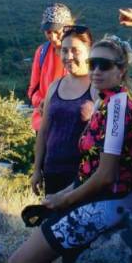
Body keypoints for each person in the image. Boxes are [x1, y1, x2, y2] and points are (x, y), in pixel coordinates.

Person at [7, 36, 132, 263]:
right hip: (93, 197)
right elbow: (91, 169)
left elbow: (106, 176)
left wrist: (66, 201)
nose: (95, 71)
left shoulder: (117, 107)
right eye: (93, 64)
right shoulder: (106, 101)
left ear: (121, 71)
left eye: (104, 65)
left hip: (106, 203)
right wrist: (63, 193)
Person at [31, 25, 97, 196]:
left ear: (90, 51)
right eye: (64, 50)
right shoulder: (55, 86)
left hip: (82, 177)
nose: (68, 56)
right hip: (52, 171)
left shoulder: (97, 86)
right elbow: (44, 132)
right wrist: (37, 169)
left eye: (75, 50)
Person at [26, 3, 75, 131]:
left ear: (68, 28)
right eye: (48, 32)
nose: (52, 37)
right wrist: (41, 102)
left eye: (57, 31)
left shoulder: (80, 52)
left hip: (71, 123)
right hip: (44, 123)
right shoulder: (41, 52)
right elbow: (32, 90)